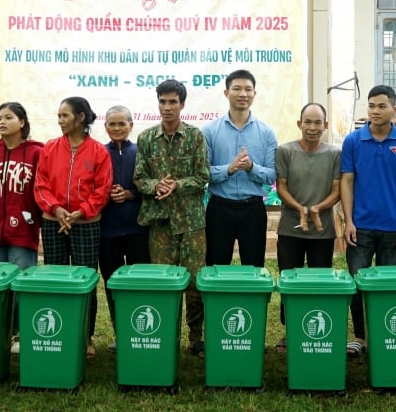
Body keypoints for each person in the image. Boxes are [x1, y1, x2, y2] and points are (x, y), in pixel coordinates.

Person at [134, 79, 211, 357]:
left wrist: (176, 185)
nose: (167, 107)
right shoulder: (145, 138)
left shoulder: (195, 136)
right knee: (164, 283)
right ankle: (165, 333)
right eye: (163, 102)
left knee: (194, 282)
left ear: (182, 104)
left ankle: (196, 337)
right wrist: (157, 185)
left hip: (190, 223)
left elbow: (203, 177)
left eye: (172, 102)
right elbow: (139, 178)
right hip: (161, 223)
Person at [341, 86, 396, 355]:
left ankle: (383, 334)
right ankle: (361, 337)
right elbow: (347, 181)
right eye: (371, 106)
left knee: (386, 286)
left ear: (394, 110)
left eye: (381, 106)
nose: (375, 111)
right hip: (359, 227)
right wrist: (348, 221)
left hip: (392, 228)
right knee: (357, 284)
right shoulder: (353, 141)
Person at [33, 96, 112, 359]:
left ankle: (86, 336)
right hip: (54, 222)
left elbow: (102, 189)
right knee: (55, 279)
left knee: (85, 280)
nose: (60, 121)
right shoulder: (49, 148)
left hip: (86, 224)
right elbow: (40, 184)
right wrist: (56, 209)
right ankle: (59, 332)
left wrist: (82, 212)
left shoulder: (99, 151)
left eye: (65, 116)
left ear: (81, 118)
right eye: (58, 116)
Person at [0, 101, 44, 354]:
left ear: (22, 122)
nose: (2, 122)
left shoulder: (37, 153)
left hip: (23, 231)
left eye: (8, 117)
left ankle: (20, 333)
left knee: (21, 285)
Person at [272, 102, 341, 352]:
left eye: (317, 122)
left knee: (319, 283)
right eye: (307, 122)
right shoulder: (285, 151)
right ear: (299, 124)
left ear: (325, 125)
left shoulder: (335, 153)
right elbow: (281, 187)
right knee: (288, 281)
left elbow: (337, 190)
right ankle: (290, 332)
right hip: (290, 229)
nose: (312, 127)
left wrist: (317, 209)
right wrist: (301, 208)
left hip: (322, 231)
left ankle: (314, 334)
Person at [202, 69, 277, 267]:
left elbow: (271, 175)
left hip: (253, 209)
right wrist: (229, 168)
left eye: (248, 89)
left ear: (254, 94)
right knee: (216, 266)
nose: (243, 94)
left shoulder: (266, 133)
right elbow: (202, 173)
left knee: (253, 267)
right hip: (219, 208)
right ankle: (216, 299)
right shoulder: (209, 131)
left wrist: (251, 167)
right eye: (237, 88)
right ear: (226, 93)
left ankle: (251, 300)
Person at [99, 105, 149, 352]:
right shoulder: (98, 153)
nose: (117, 128)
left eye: (122, 124)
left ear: (131, 125)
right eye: (112, 124)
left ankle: (140, 331)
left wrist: (131, 193)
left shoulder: (141, 152)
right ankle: (121, 333)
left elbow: (150, 186)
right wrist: (106, 194)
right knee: (113, 284)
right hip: (107, 231)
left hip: (138, 229)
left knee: (139, 283)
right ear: (105, 126)